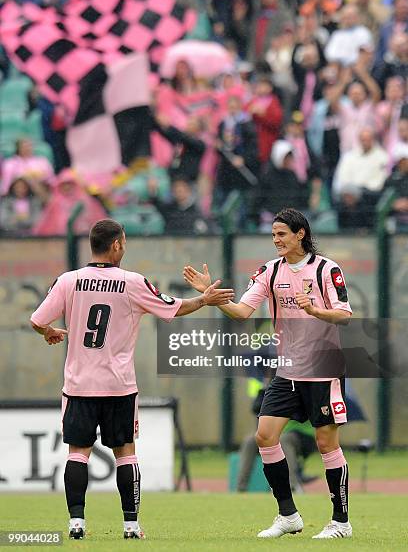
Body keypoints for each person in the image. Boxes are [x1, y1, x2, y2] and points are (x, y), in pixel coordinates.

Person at [30, 218, 234, 540]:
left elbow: (37, 319)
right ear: (116, 245)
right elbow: (173, 308)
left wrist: (49, 332)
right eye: (124, 242)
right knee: (125, 452)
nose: (124, 247)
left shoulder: (68, 281)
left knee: (77, 452)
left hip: (79, 385)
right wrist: (204, 300)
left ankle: (76, 523)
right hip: (118, 385)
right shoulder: (132, 282)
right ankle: (131, 526)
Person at [184, 208, 353, 539]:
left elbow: (344, 316)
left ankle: (341, 522)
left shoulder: (327, 270)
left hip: (323, 367)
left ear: (300, 234)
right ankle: (288, 514)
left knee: (325, 442)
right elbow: (242, 312)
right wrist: (210, 298)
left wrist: (315, 310)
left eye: (282, 234)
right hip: (287, 369)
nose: (276, 240)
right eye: (273, 235)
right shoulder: (269, 272)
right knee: (264, 436)